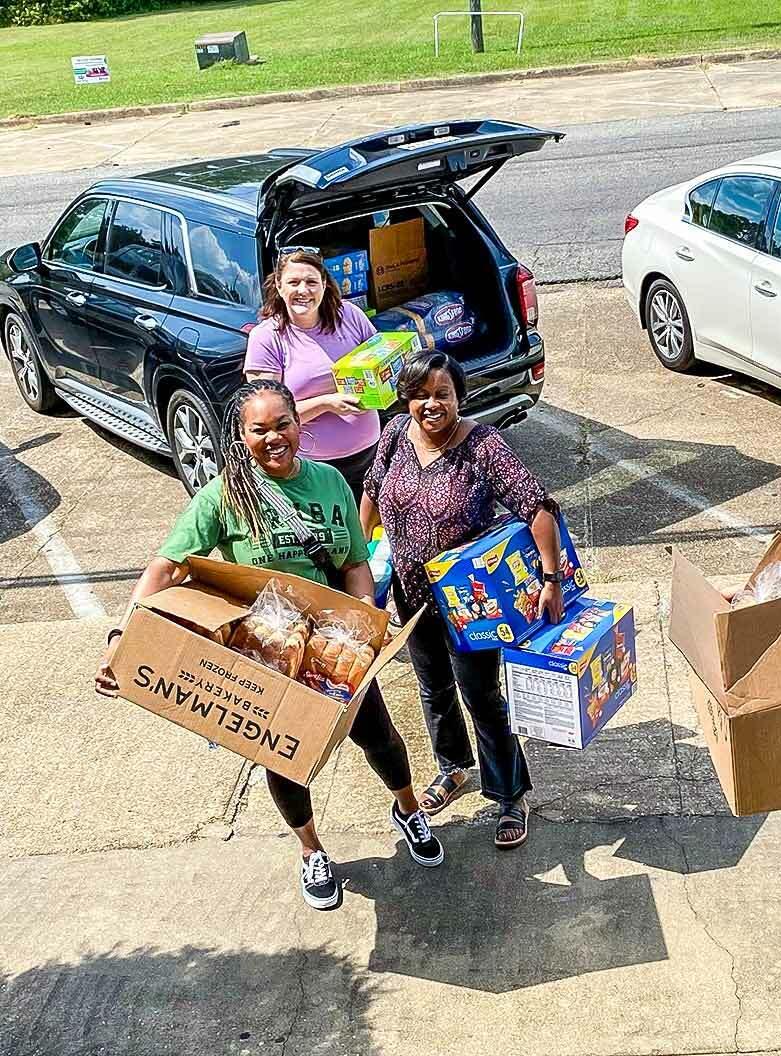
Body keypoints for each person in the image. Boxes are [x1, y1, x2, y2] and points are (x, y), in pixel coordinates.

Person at [95, 379, 443, 911]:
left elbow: (352, 562)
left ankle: (407, 807)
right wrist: (126, 635)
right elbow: (167, 566)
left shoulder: (328, 482)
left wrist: (365, 620)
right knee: (283, 756)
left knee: (378, 736)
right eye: (259, 430)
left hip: (334, 645)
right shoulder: (225, 495)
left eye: (283, 424)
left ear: (299, 425)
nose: (274, 437)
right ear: (241, 435)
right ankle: (311, 851)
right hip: (264, 651)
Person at [360, 351, 565, 850]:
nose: (431, 405)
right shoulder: (392, 436)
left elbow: (537, 507)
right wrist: (361, 561)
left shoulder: (483, 445)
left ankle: (509, 794)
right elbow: (370, 494)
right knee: (433, 690)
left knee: (481, 696)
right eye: (420, 395)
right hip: (412, 598)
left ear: (459, 396)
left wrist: (551, 578)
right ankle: (452, 767)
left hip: (471, 603)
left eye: (441, 394)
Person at [243, 249, 380, 502]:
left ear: (325, 284)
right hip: (315, 468)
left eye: (311, 282)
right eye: (294, 282)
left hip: (370, 455)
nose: (303, 290)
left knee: (372, 537)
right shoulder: (266, 338)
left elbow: (382, 361)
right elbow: (268, 418)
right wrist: (326, 403)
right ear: (279, 285)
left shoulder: (349, 316)